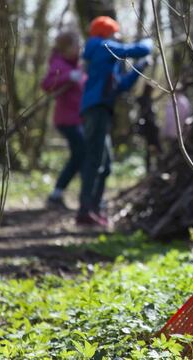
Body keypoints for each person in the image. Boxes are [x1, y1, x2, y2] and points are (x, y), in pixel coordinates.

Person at [77, 16, 153, 227]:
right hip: (96, 109)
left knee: (105, 164)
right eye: (115, 32)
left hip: (101, 109)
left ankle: (93, 208)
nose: (118, 36)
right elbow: (138, 49)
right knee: (95, 160)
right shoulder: (102, 46)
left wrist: (141, 67)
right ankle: (85, 210)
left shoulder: (105, 56)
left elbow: (120, 86)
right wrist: (150, 43)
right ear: (106, 32)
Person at [41, 30, 86, 209]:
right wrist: (68, 76)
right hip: (67, 120)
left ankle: (60, 194)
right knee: (81, 153)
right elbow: (46, 84)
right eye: (76, 45)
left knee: (80, 155)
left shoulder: (76, 65)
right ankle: (58, 194)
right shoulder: (59, 63)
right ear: (66, 48)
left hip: (77, 119)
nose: (79, 48)